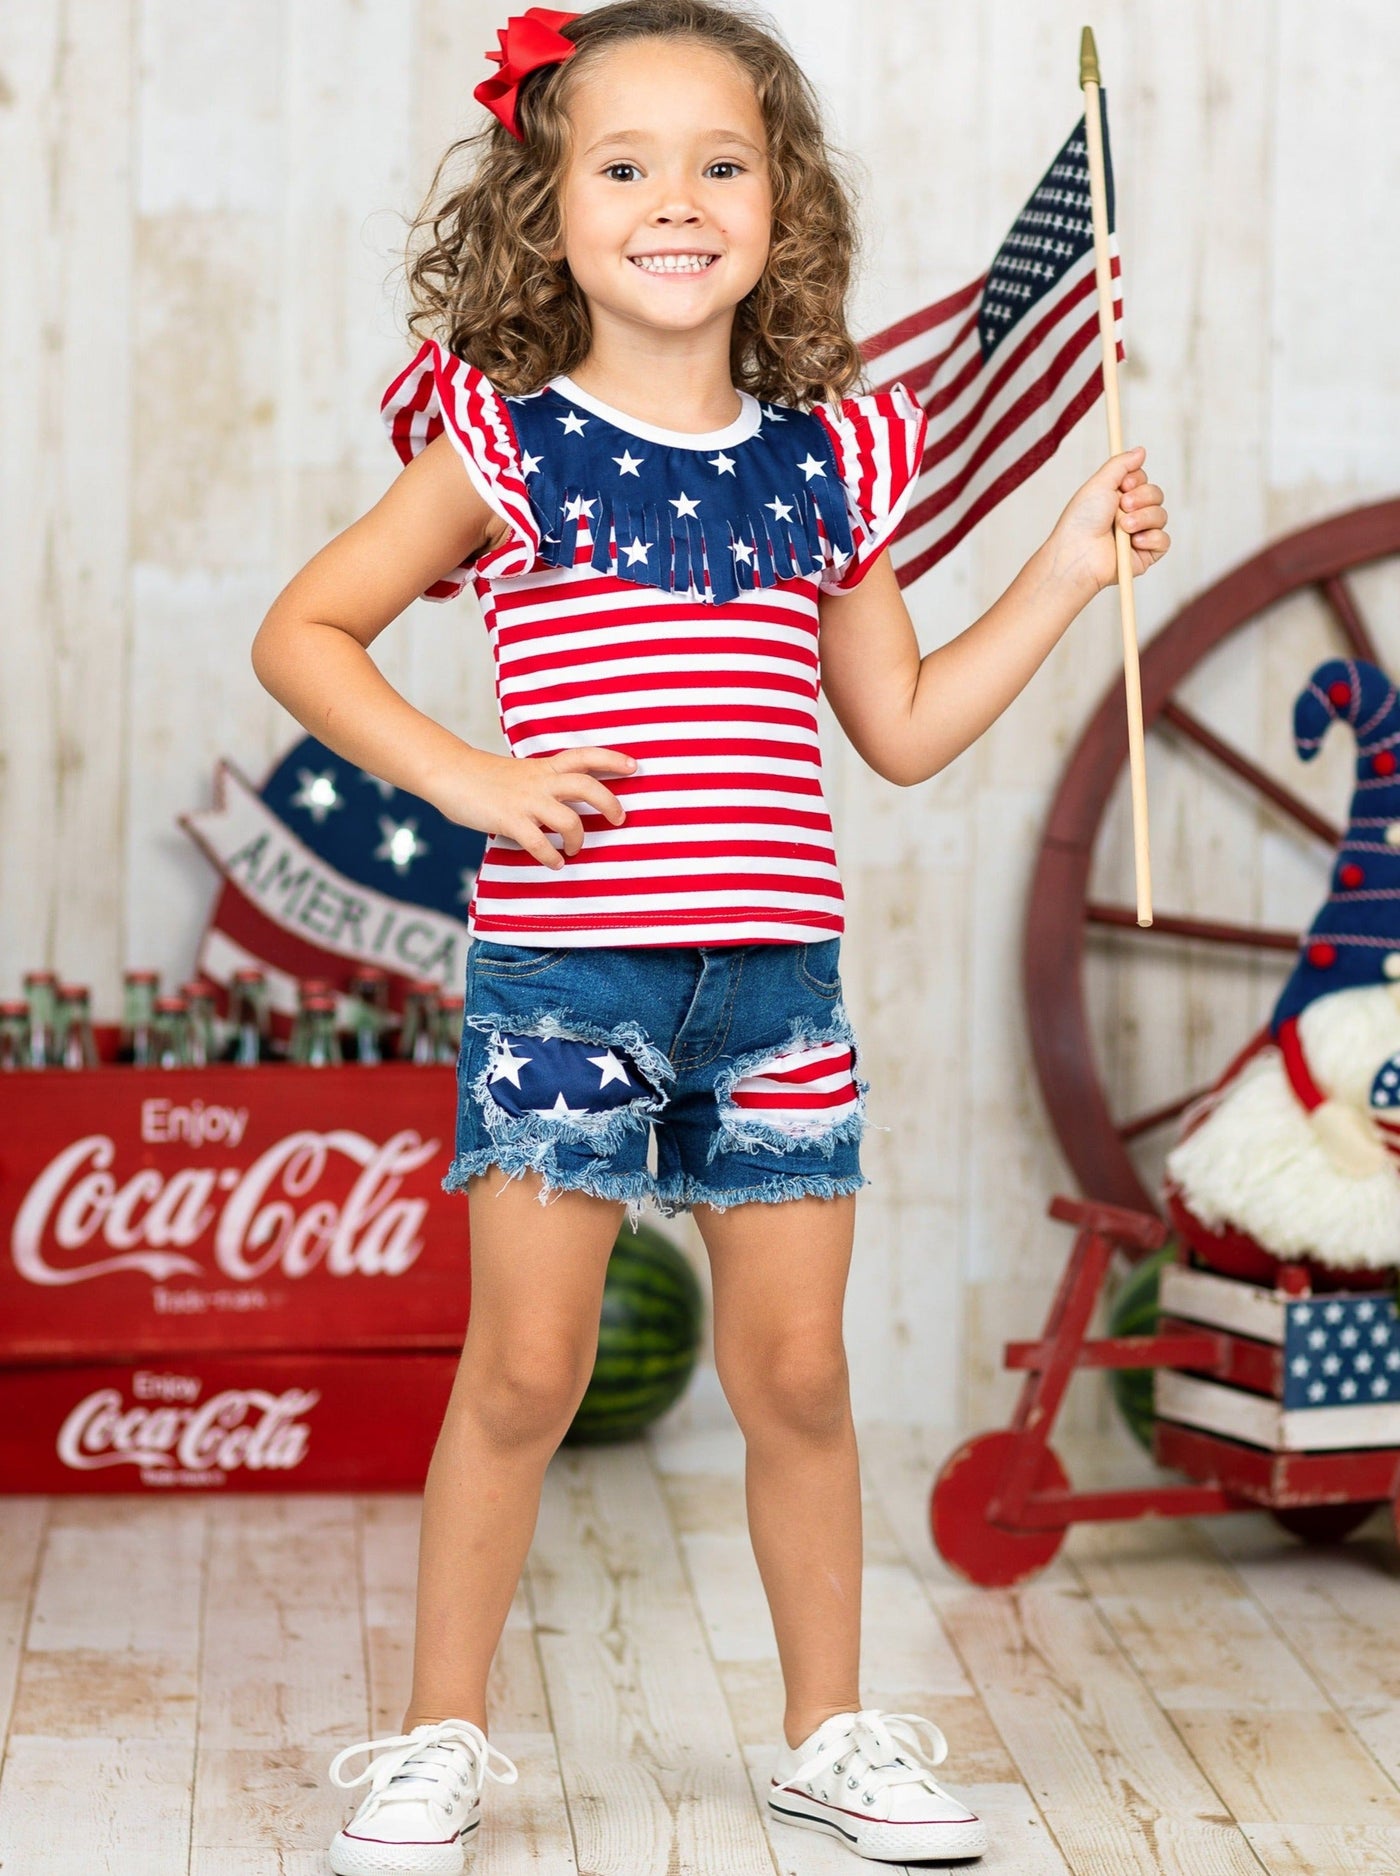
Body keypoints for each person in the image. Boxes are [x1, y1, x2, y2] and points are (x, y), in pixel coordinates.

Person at [250, 3, 1170, 1868]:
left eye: (722, 164)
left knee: (799, 1377)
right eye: (625, 165)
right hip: (568, 986)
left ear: (784, 202)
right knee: (527, 1370)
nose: (678, 201)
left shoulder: (834, 464)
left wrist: (1069, 574)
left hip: (773, 990)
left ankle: (829, 1732)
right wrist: (471, 780)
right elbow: (305, 632)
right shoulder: (503, 448)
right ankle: (438, 1738)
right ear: (551, 203)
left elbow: (899, 733)